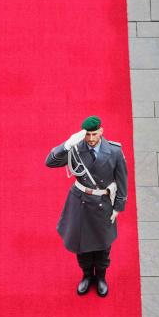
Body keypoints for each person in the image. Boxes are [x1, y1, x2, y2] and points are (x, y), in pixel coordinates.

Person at [46, 116, 128, 297]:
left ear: (101, 131)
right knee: (80, 243)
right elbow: (50, 162)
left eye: (94, 134)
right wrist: (66, 145)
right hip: (80, 202)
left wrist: (118, 207)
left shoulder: (114, 151)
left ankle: (100, 277)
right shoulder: (75, 149)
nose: (91, 139)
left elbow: (122, 180)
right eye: (87, 135)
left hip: (103, 203)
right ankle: (86, 275)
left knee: (103, 244)